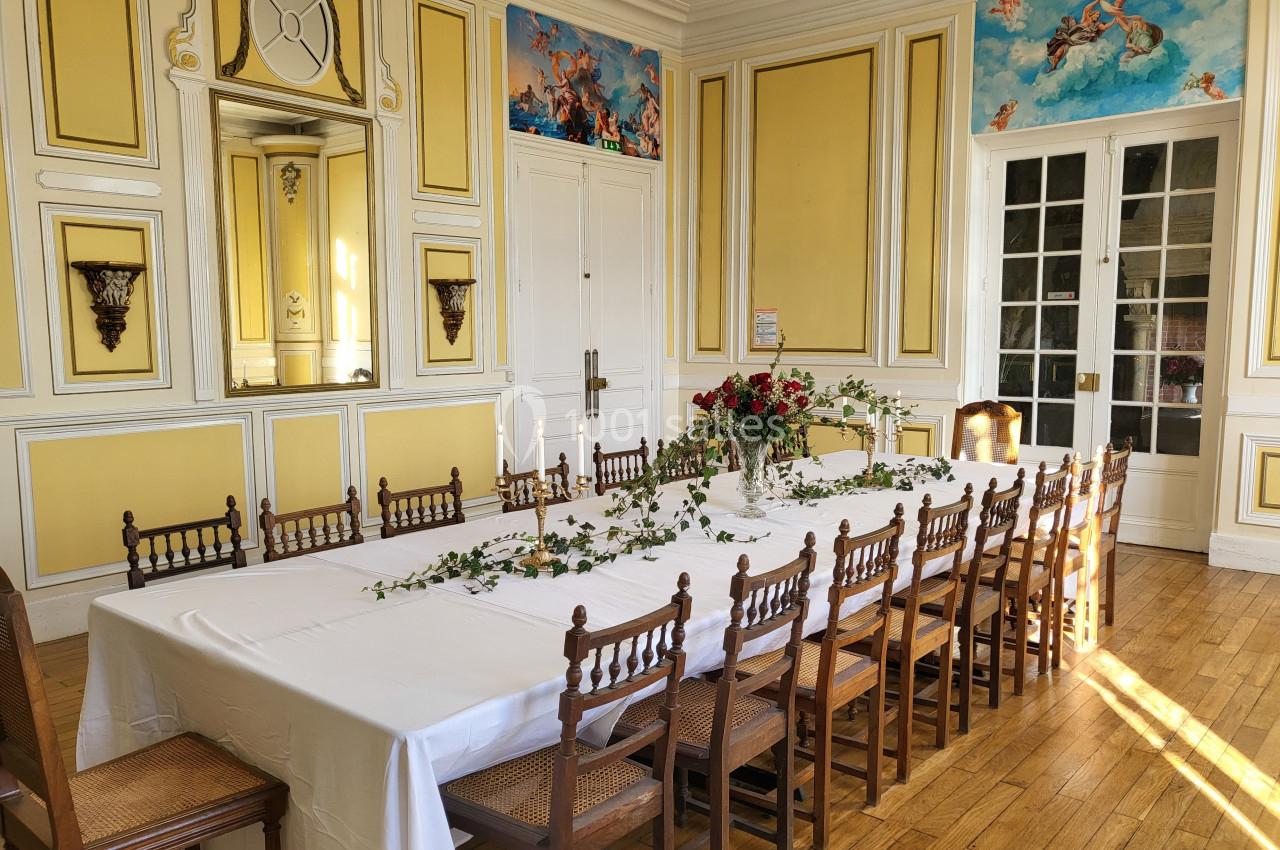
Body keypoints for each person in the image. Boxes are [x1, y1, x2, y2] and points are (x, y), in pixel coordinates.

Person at [1045, 0, 1111, 72]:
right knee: (1057, 54)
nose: (1098, 17)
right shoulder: (1085, 20)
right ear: (1092, 14)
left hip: (1077, 42)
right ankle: (1053, 67)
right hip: (1069, 39)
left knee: (1060, 53)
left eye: (1099, 16)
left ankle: (1054, 66)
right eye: (1097, 14)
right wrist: (1098, 1)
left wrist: (1115, 20)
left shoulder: (1095, 25)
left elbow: (1104, 27)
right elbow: (1086, 8)